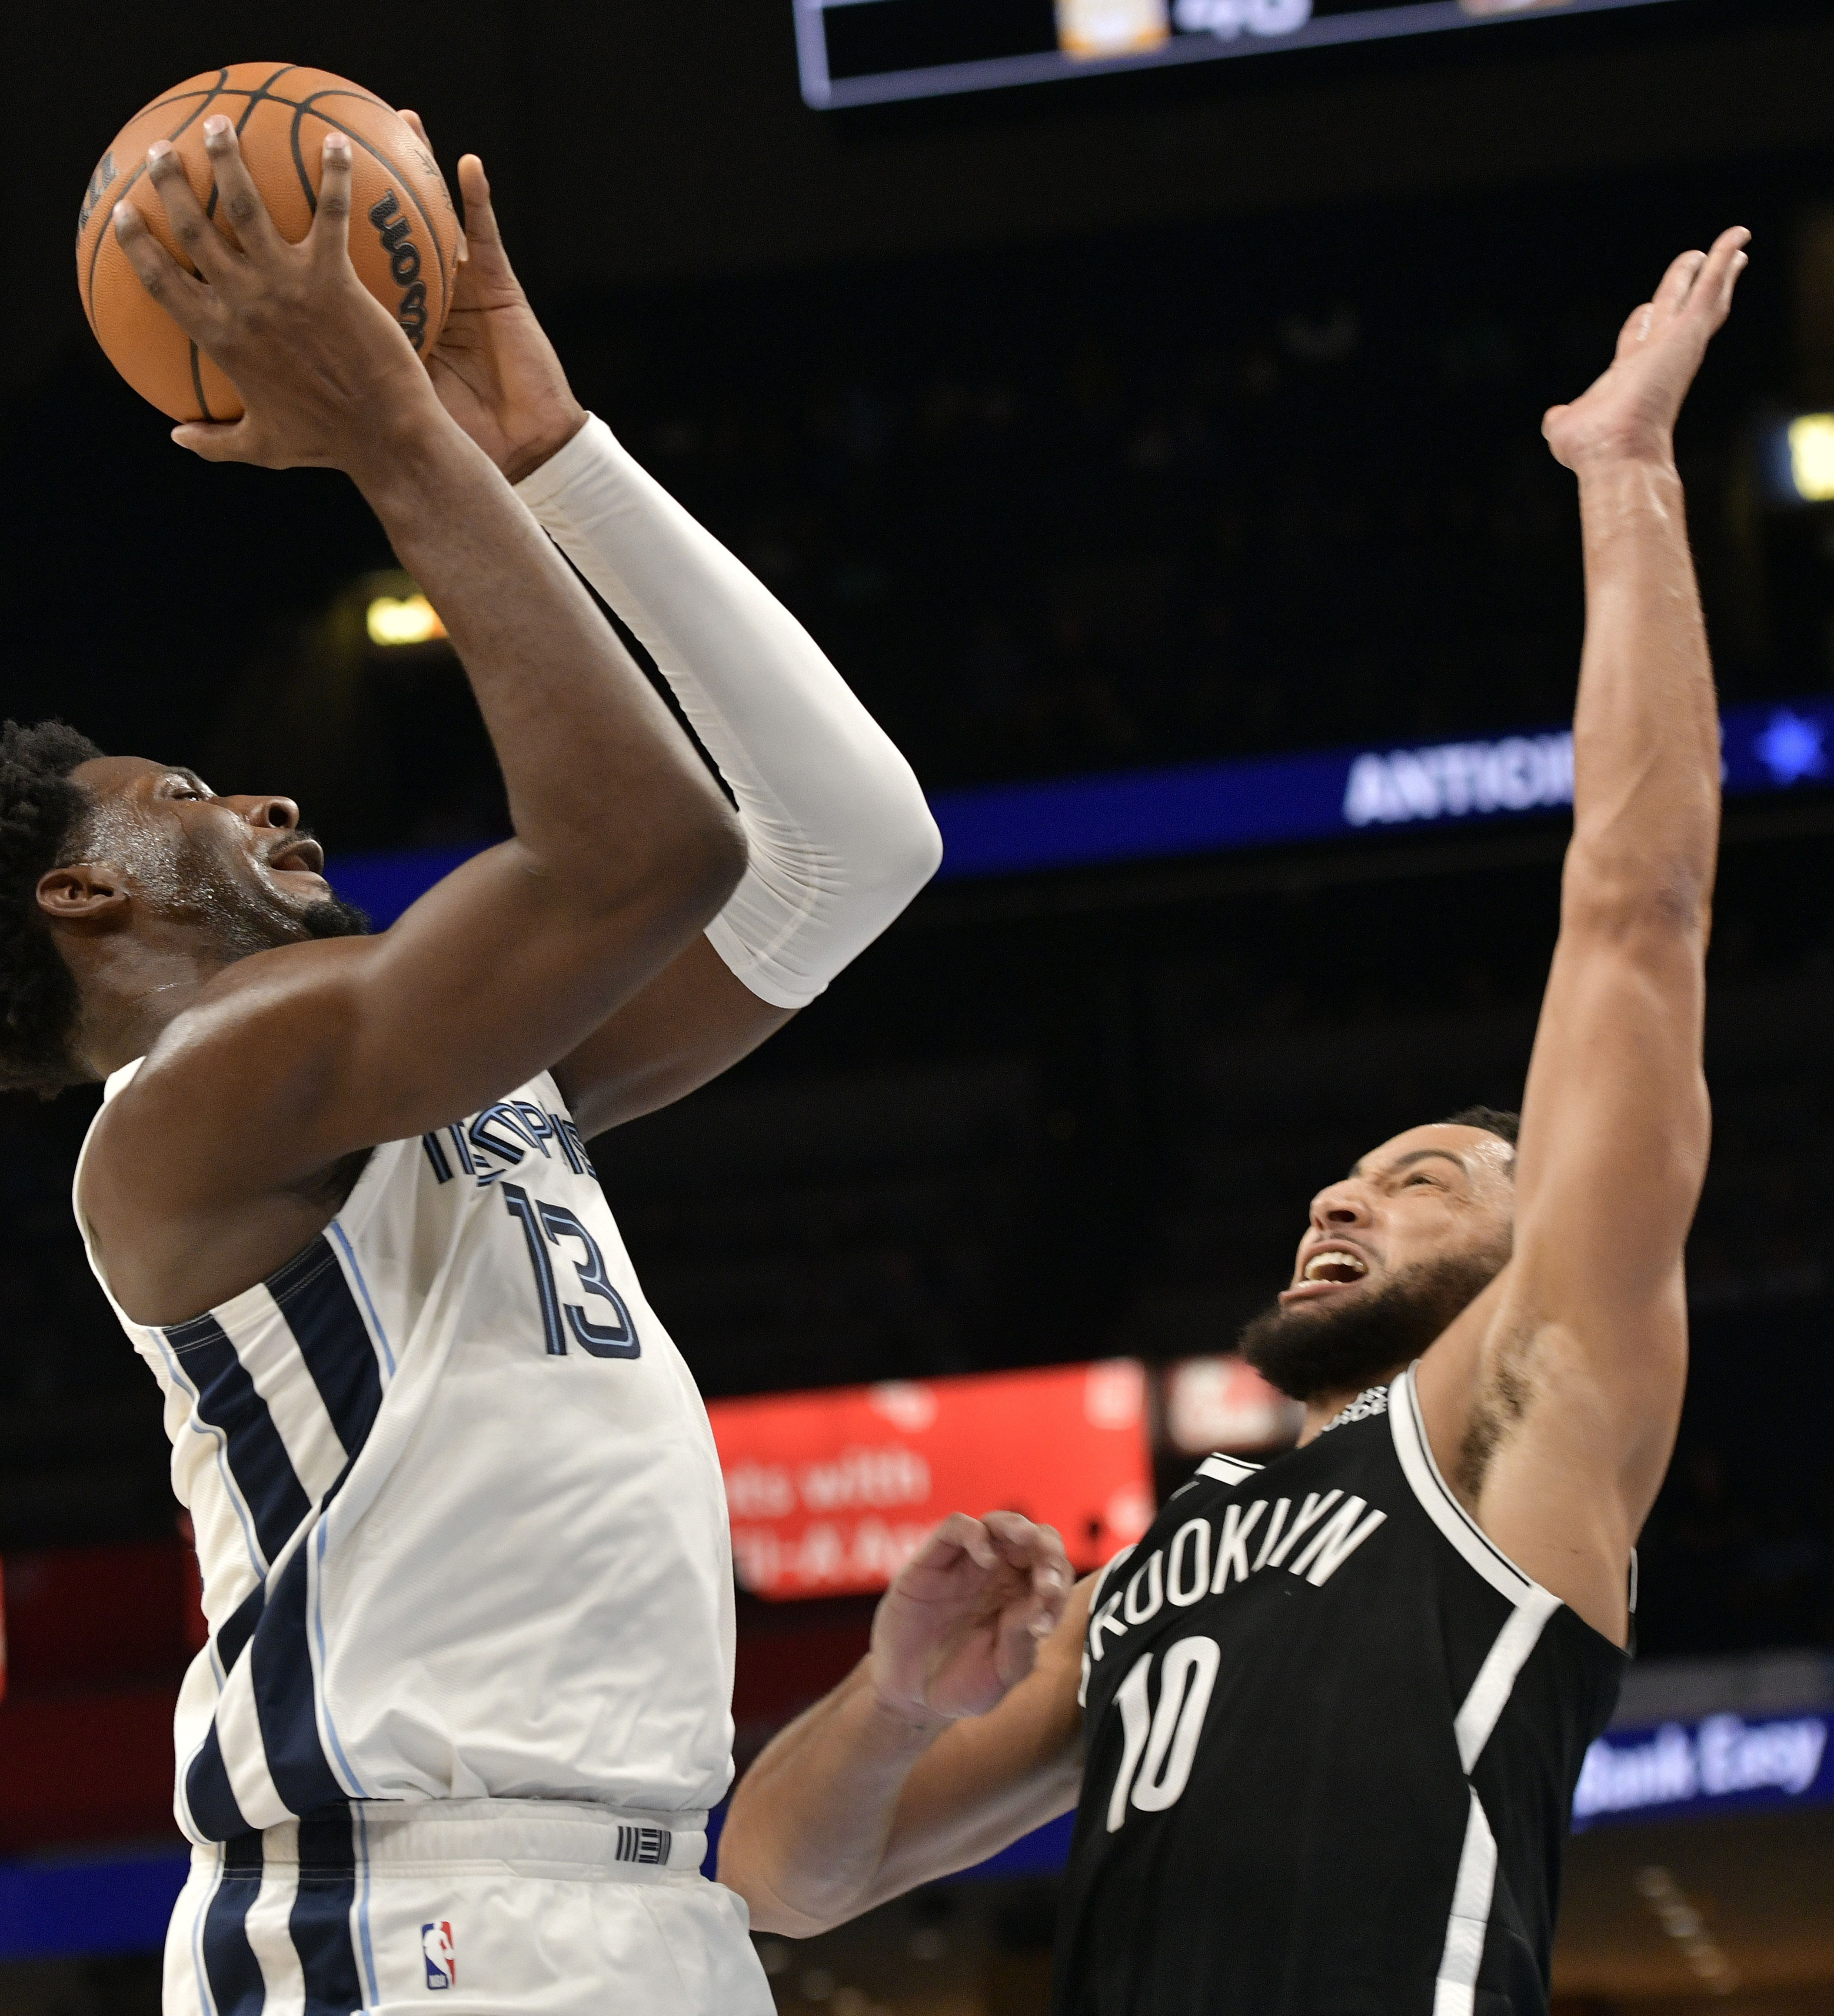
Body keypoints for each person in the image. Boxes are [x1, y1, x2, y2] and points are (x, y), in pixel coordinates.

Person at [0, 118, 942, 2016]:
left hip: (632, 1896)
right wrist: (392, 432)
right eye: (182, 796)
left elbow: (854, 849)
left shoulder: (443, 1083)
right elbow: (646, 849)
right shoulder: (191, 1109)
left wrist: (559, 466)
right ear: (81, 897)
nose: (262, 794)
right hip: (411, 1917)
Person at [717, 228, 1751, 2015]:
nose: (1338, 1201)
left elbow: (1634, 909)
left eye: (1422, 1180)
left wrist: (1625, 475)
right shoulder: (1154, 1570)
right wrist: (892, 1699)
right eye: (1335, 1183)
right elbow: (779, 1878)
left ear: (1535, 1242)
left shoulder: (1519, 1416)